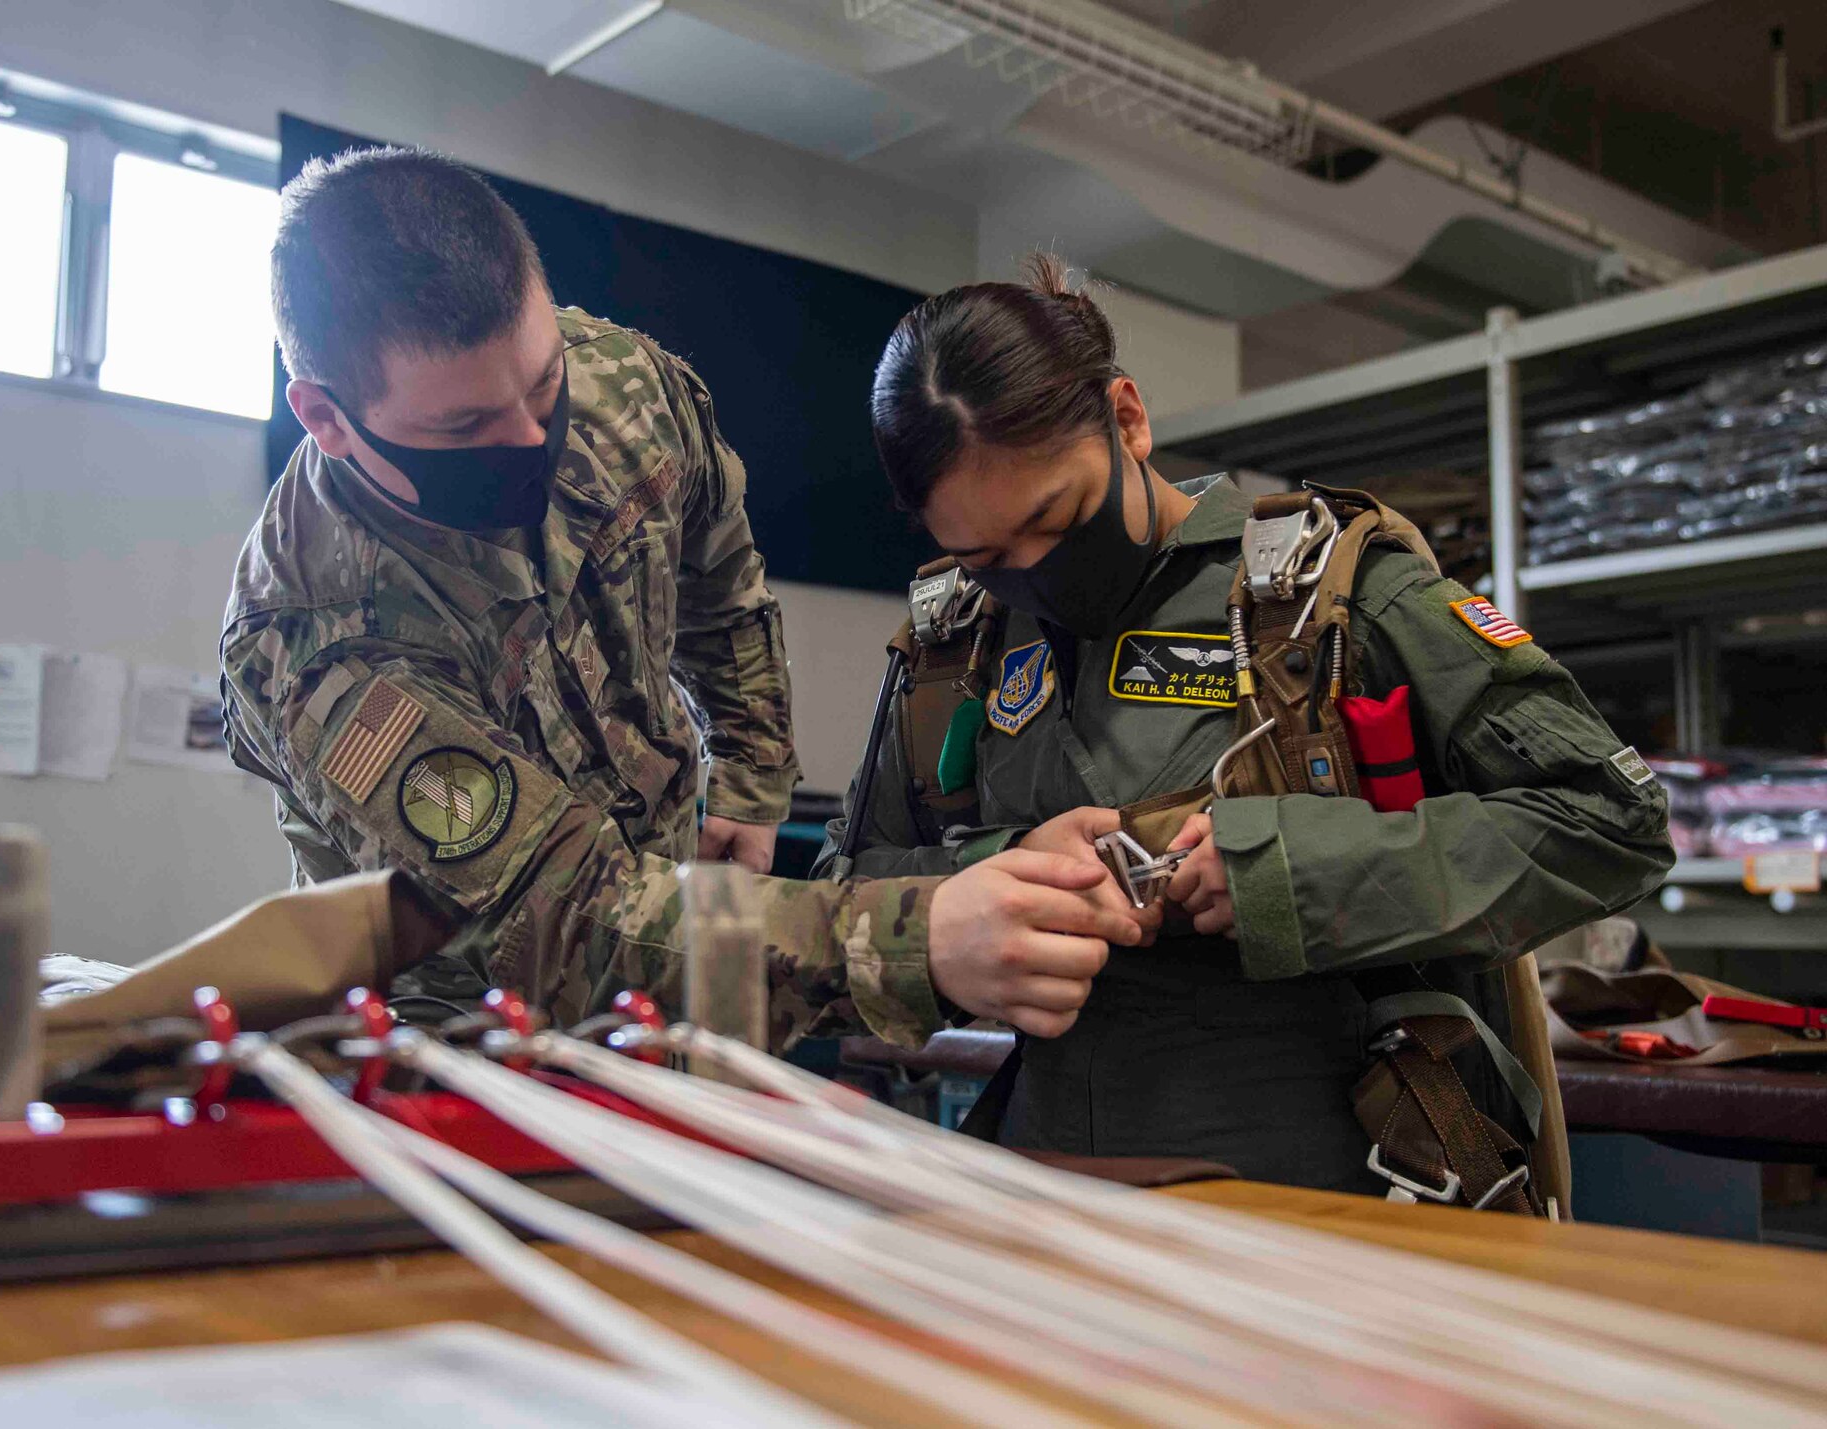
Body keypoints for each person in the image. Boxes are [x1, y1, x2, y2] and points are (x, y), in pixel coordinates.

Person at [220, 148, 1144, 1048]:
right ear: (326, 417)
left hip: (680, 966)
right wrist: (925, 939)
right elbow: (570, 928)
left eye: (545, 386)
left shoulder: (621, 386)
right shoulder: (323, 644)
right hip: (462, 1045)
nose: (532, 438)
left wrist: (749, 773)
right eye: (464, 426)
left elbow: (720, 577)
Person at [819, 255, 1673, 1194]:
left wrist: (1296, 872)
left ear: (1128, 419)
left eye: (1058, 520)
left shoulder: (1328, 596)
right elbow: (842, 889)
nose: (1035, 573)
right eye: (984, 554)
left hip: (1328, 1187)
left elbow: (1613, 819)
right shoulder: (958, 648)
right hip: (1048, 1184)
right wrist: (992, 875)